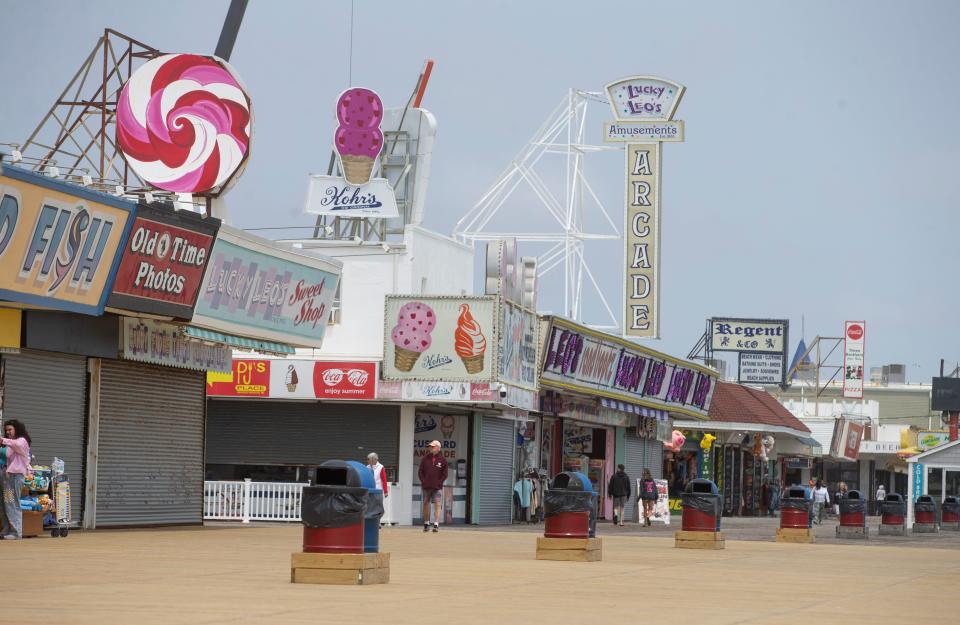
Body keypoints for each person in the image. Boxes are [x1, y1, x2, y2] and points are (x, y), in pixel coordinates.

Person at [0, 420, 31, 540]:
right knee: (5, 503)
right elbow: (7, 453)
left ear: (16, 429)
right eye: (6, 430)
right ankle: (6, 530)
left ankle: (16, 532)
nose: (8, 432)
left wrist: (2, 440)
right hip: (8, 476)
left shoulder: (21, 441)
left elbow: (15, 446)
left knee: (12, 503)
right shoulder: (11, 443)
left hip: (15, 476)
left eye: (10, 429)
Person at [418, 440, 448, 532]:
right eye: (430, 446)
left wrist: (439, 483)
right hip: (426, 486)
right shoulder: (425, 458)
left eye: (433, 446)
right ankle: (426, 523)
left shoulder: (442, 460)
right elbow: (420, 472)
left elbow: (445, 474)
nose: (431, 448)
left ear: (438, 448)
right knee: (426, 504)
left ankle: (436, 524)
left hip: (437, 487)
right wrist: (423, 481)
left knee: (438, 504)